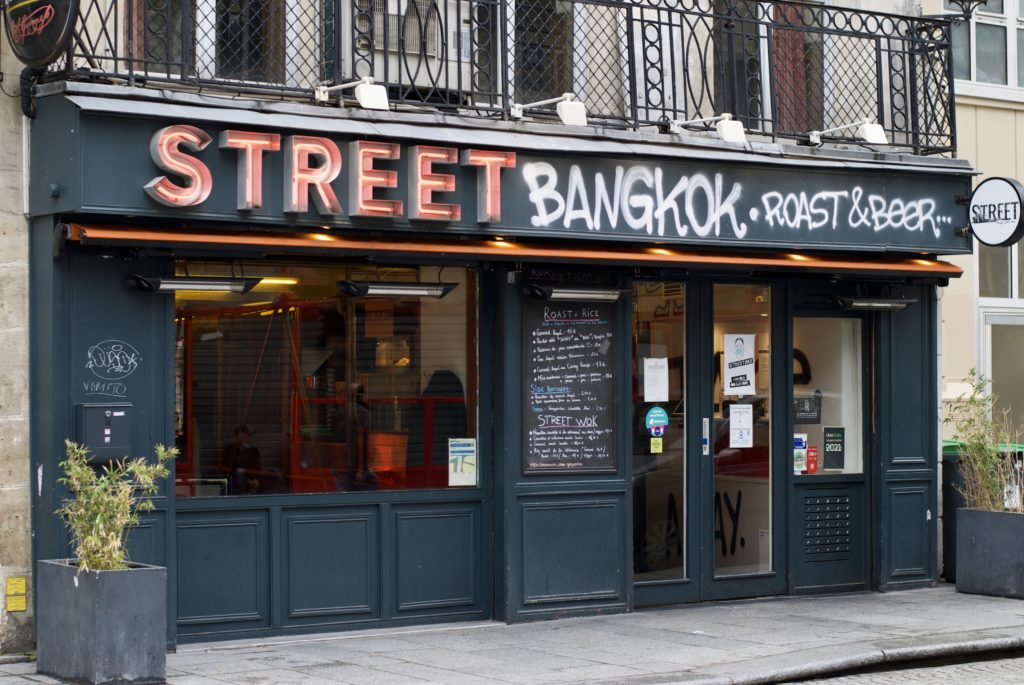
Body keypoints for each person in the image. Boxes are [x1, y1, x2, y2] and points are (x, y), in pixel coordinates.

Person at [222, 425, 261, 494]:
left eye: (250, 436)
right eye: (247, 435)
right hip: (235, 480)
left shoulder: (254, 450)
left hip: (252, 480)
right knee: (240, 471)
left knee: (274, 471)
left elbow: (258, 468)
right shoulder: (230, 450)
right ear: (238, 437)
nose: (250, 438)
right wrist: (247, 481)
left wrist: (256, 479)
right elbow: (227, 469)